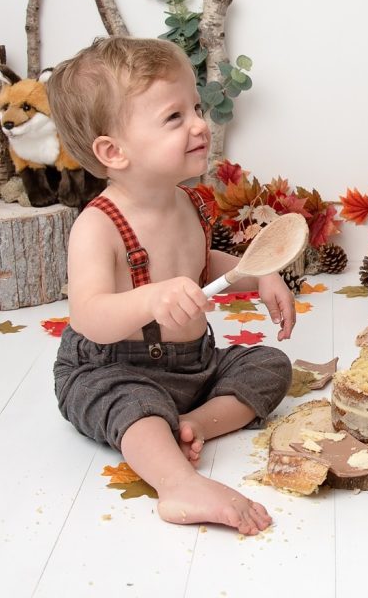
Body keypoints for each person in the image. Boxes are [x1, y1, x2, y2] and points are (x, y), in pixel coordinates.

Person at [47, 37, 294, 535]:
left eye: (196, 108)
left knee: (270, 365)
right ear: (114, 151)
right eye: (174, 117)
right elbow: (88, 314)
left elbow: (204, 269)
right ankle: (177, 483)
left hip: (194, 367)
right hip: (113, 369)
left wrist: (260, 273)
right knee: (134, 408)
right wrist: (150, 298)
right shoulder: (99, 225)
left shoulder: (189, 203)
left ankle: (195, 424)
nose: (200, 124)